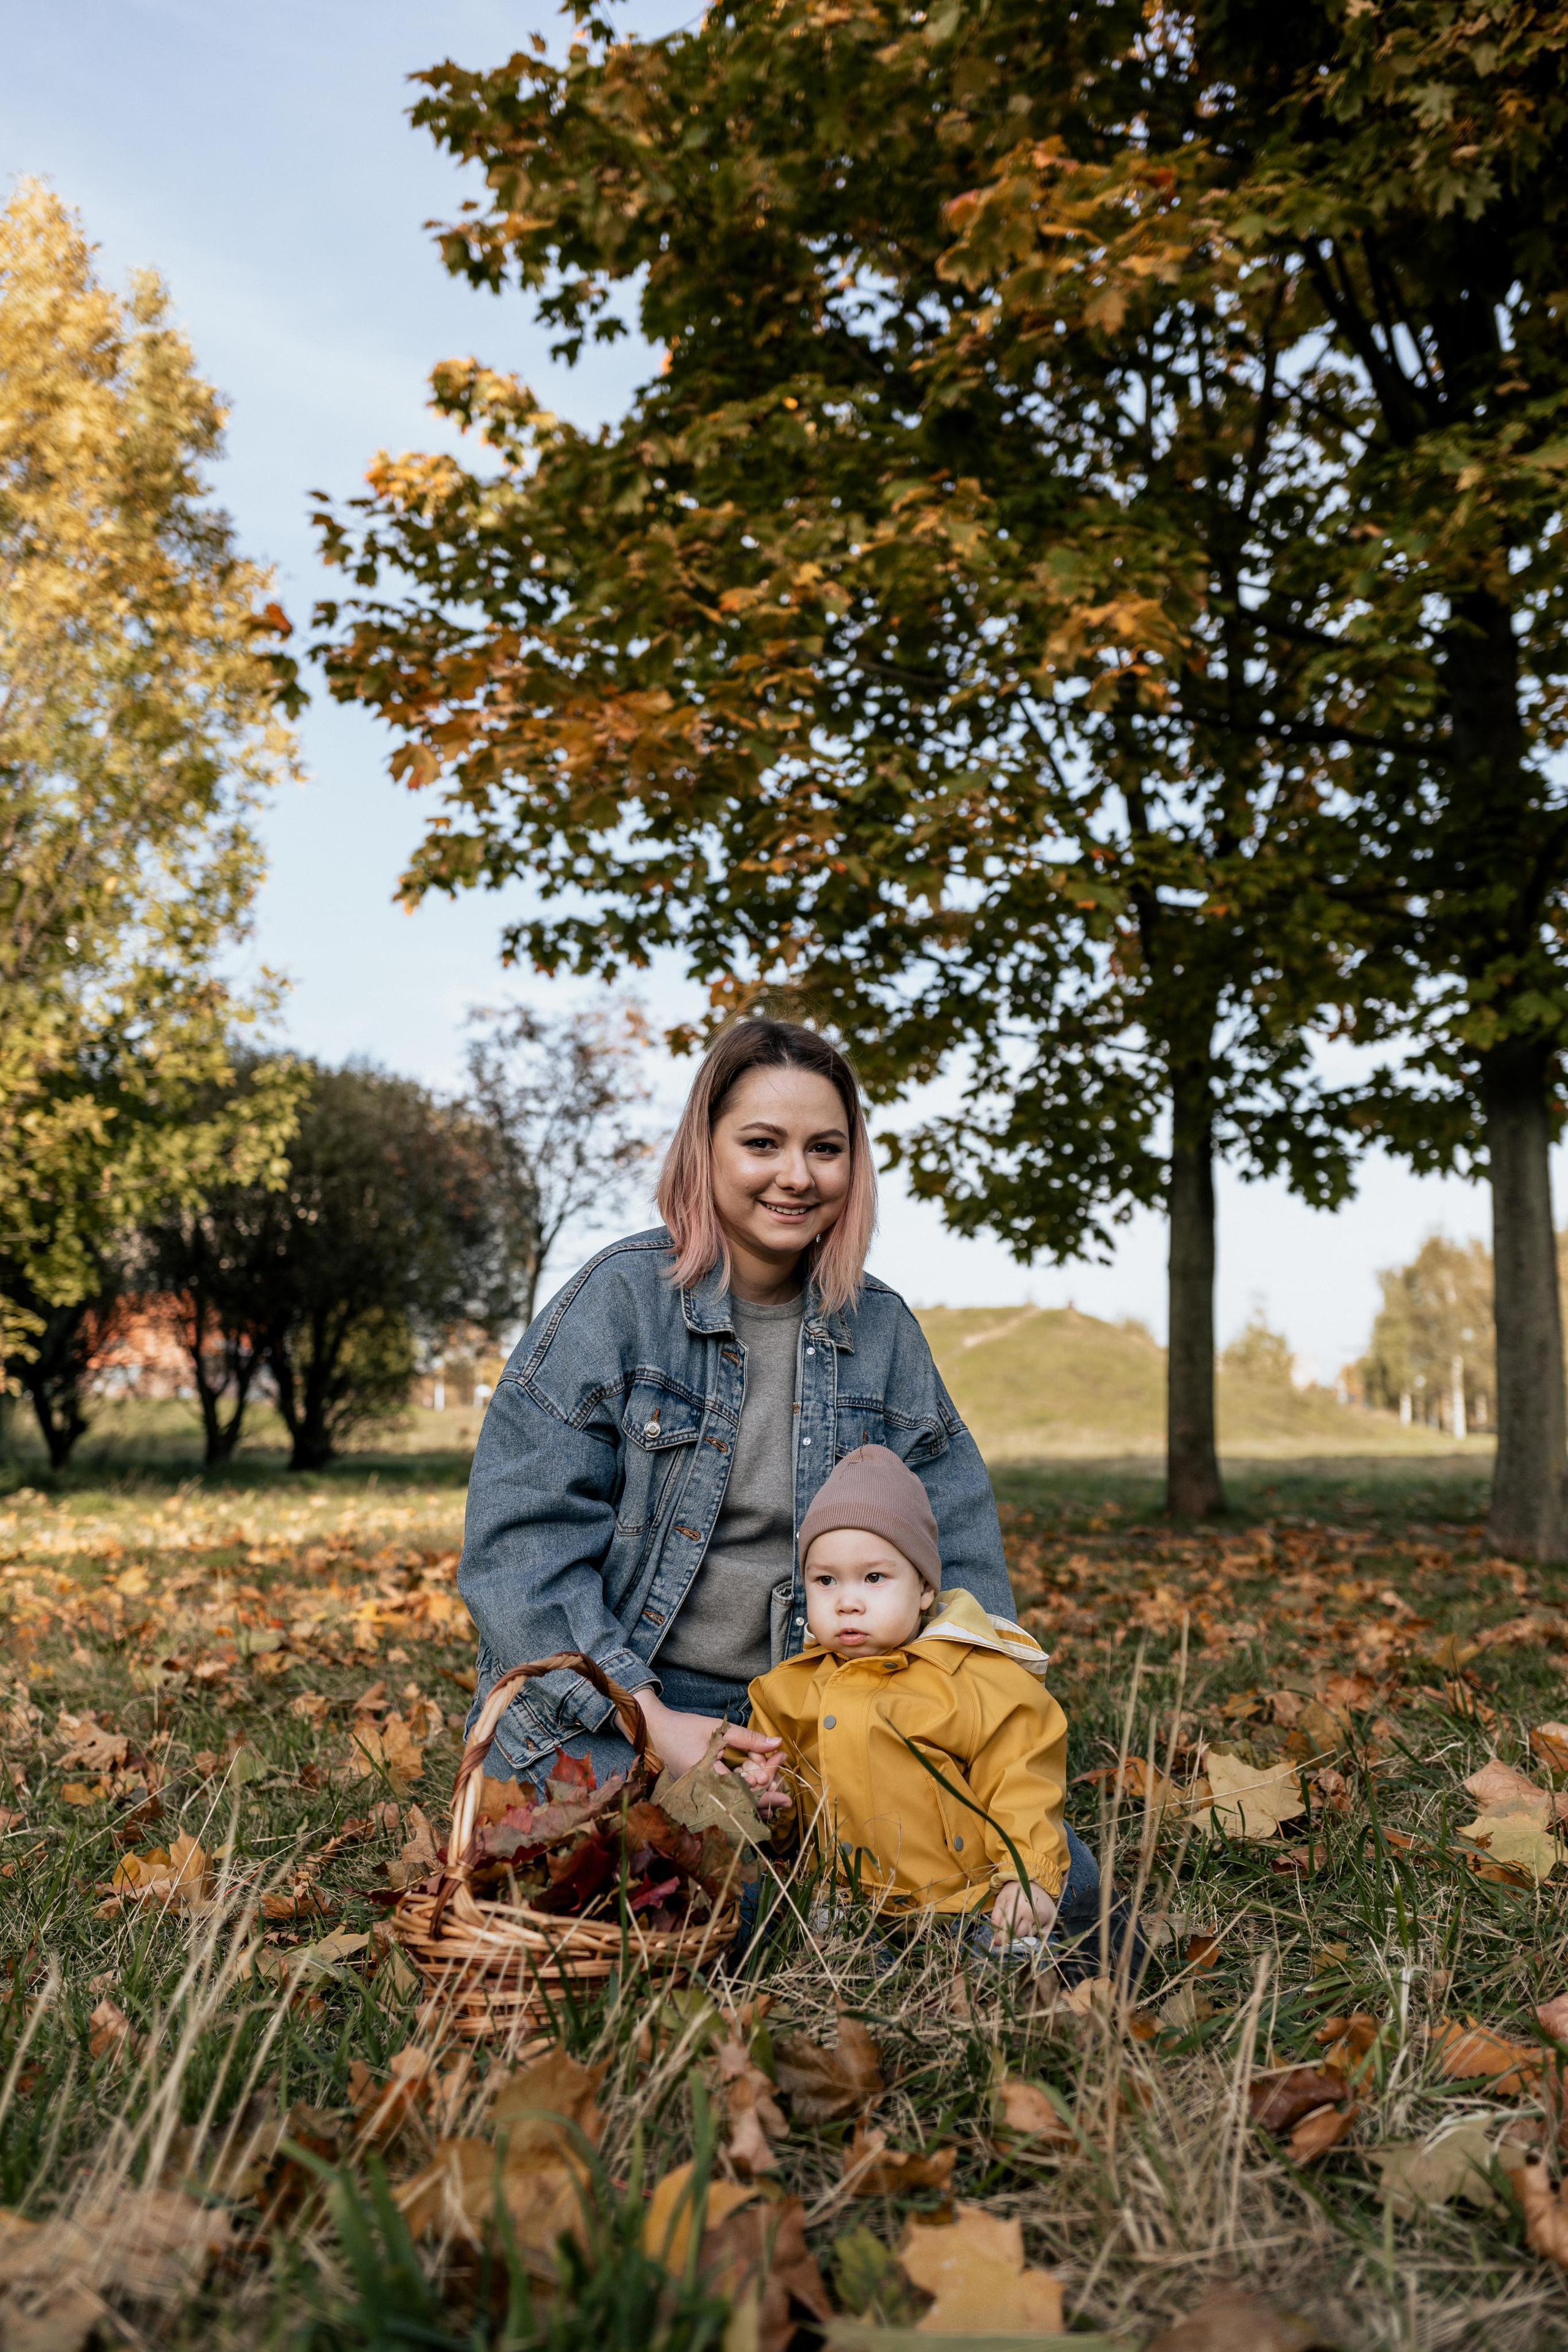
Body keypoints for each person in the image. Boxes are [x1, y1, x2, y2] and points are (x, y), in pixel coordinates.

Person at [457, 1017, 1017, 1795]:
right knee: (713, 1883)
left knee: (1051, 1879)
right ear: (706, 1149)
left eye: (825, 1148)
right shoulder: (615, 1304)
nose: (796, 1175)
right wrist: (653, 1722)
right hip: (621, 1704)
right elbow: (520, 1555)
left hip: (829, 1702)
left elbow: (958, 1557)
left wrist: (971, 1734)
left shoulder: (883, 1332)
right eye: (762, 1144)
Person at [743, 1444, 1103, 1955]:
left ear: (925, 1590)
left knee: (1033, 1932)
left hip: (967, 1897)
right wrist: (767, 1800)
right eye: (825, 1580)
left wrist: (1027, 1875)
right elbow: (796, 1817)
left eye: (875, 1578)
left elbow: (1021, 1782)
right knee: (821, 1958)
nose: (848, 1600)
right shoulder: (786, 1692)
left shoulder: (974, 1679)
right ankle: (851, 1965)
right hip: (850, 1906)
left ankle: (1012, 1954)